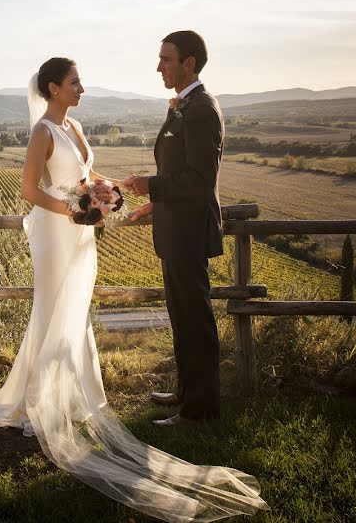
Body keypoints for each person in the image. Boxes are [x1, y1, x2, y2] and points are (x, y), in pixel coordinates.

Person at [0, 57, 266, 522]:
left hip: (82, 230)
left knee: (75, 309)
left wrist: (107, 193)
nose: (82, 88)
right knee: (51, 307)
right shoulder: (42, 132)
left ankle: (75, 393)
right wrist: (72, 211)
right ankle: (36, 399)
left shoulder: (77, 127)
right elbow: (29, 190)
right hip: (56, 230)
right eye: (75, 82)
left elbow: (86, 177)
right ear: (52, 88)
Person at [123, 30, 226, 427]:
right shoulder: (187, 105)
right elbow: (181, 172)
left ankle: (200, 411)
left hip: (187, 234)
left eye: (166, 59)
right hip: (175, 228)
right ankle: (188, 394)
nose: (158, 66)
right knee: (182, 318)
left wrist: (153, 184)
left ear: (189, 63)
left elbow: (199, 181)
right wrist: (157, 199)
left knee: (195, 321)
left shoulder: (200, 109)